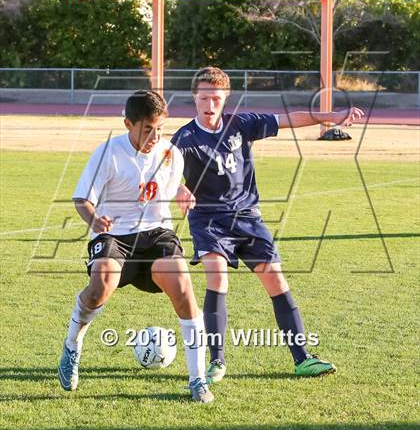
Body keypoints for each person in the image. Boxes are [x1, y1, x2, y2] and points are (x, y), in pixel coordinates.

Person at [171, 67, 364, 384]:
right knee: (217, 278)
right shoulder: (185, 137)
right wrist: (178, 187)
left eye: (216, 98)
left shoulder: (241, 124)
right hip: (209, 220)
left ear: (225, 98)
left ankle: (302, 359)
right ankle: (217, 361)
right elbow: (164, 167)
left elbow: (292, 118)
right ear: (195, 98)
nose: (209, 104)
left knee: (275, 280)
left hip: (247, 217)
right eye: (204, 97)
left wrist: (334, 116)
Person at [58, 90, 213, 403]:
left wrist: (182, 190)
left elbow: (167, 184)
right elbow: (82, 198)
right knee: (99, 287)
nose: (155, 136)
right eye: (147, 129)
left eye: (160, 128)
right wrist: (94, 221)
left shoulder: (171, 154)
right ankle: (72, 345)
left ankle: (197, 380)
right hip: (114, 236)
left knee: (183, 287)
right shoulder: (108, 153)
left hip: (156, 234)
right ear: (128, 124)